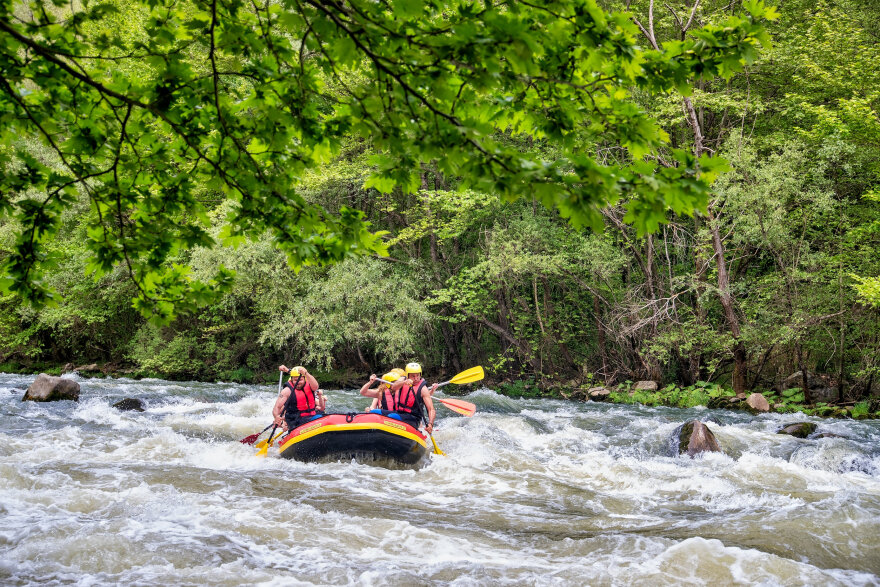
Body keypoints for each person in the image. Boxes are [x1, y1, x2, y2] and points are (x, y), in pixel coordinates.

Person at [273, 365, 323, 432]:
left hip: (311, 416)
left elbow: (316, 386)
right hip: (295, 420)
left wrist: (306, 373)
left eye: (300, 380)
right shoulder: (287, 391)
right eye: (295, 380)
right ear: (291, 379)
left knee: (323, 416)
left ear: (305, 379)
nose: (298, 382)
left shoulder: (310, 385)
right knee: (318, 419)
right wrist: (277, 418)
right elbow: (277, 407)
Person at [397, 362, 438, 433]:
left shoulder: (423, 389)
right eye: (413, 376)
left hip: (413, 418)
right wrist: (403, 383)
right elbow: (394, 387)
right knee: (377, 412)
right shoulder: (402, 380)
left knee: (392, 416)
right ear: (407, 376)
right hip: (400, 413)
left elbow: (431, 409)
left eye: (418, 375)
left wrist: (430, 424)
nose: (416, 378)